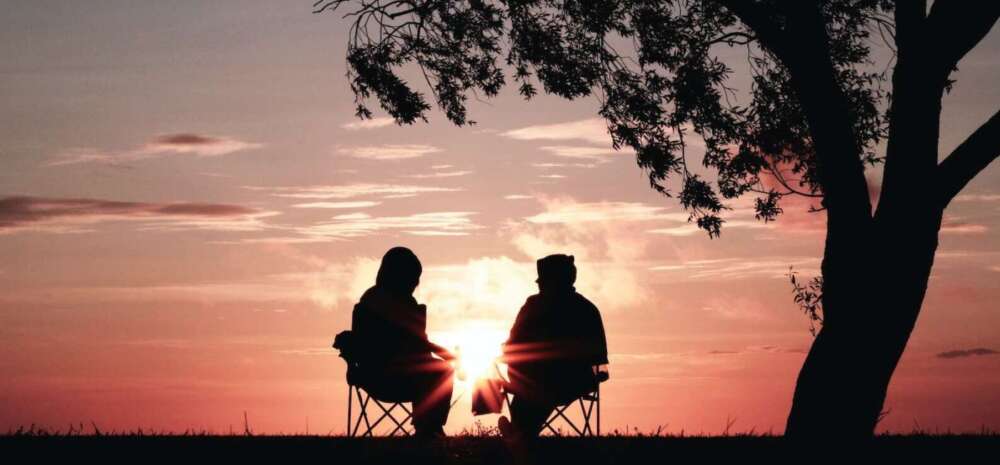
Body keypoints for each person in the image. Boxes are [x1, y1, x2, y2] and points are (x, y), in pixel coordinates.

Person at [498, 254, 609, 439]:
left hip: (539, 382)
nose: (539, 286)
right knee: (534, 394)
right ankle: (521, 434)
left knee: (531, 396)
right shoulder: (587, 309)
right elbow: (600, 360)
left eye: (542, 281)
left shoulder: (533, 306)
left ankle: (520, 435)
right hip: (575, 382)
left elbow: (512, 345)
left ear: (552, 281)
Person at [349, 246, 456, 438]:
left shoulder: (374, 300)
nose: (416, 283)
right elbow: (415, 343)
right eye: (413, 277)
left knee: (438, 371)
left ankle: (428, 427)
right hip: (386, 376)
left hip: (380, 375)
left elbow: (419, 344)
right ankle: (429, 428)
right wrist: (448, 356)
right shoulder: (382, 303)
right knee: (443, 371)